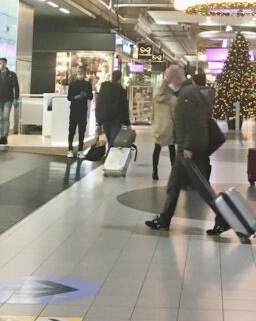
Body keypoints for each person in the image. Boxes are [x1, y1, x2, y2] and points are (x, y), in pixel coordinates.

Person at [145, 75, 230, 237]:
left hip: (189, 150)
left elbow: (194, 122)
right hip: (183, 148)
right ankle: (164, 219)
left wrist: (188, 146)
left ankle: (223, 218)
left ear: (175, 80)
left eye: (168, 80)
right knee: (174, 185)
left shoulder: (187, 95)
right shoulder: (187, 93)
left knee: (202, 187)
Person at [151, 66, 184, 179]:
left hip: (158, 126)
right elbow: (175, 114)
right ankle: (173, 171)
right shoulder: (172, 99)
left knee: (157, 149)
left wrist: (153, 122)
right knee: (171, 150)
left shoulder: (156, 98)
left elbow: (152, 112)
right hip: (169, 127)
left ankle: (155, 171)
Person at [95, 70, 129, 149]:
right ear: (120, 78)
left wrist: (99, 121)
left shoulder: (104, 87)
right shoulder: (121, 90)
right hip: (116, 119)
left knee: (110, 138)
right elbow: (124, 107)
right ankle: (110, 157)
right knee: (112, 141)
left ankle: (109, 156)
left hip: (105, 117)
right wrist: (127, 123)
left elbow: (99, 103)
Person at [0, 57, 19, 146]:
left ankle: (4, 137)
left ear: (5, 63)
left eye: (0, 63)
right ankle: (1, 136)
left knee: (6, 117)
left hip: (8, 99)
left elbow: (16, 87)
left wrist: (16, 98)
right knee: (1, 119)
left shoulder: (12, 74)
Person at [66, 67, 93, 159]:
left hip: (83, 111)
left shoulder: (88, 84)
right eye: (79, 72)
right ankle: (70, 149)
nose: (80, 74)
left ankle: (80, 150)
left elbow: (91, 97)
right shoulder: (72, 84)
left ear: (84, 73)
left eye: (82, 72)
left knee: (82, 131)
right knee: (71, 131)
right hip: (73, 110)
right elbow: (69, 97)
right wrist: (75, 97)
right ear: (77, 73)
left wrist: (86, 95)